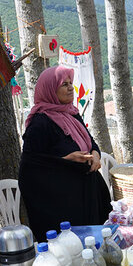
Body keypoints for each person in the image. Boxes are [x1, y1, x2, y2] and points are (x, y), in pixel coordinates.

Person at [19, 66, 111, 242]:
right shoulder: (40, 124)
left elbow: (91, 142)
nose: (70, 88)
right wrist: (64, 161)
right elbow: (30, 169)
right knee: (73, 250)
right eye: (64, 84)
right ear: (51, 90)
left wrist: (96, 155)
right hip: (63, 204)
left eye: (71, 83)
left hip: (87, 194)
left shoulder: (72, 114)